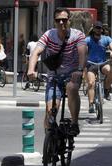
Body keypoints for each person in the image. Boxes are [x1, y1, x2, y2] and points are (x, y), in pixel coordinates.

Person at [27, 7, 86, 136]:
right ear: (54, 21)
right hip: (54, 76)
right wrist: (31, 69)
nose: (61, 23)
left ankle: (75, 123)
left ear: (69, 20)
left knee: (71, 88)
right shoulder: (49, 35)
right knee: (50, 111)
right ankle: (49, 142)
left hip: (72, 74)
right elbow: (36, 52)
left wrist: (80, 70)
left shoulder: (77, 35)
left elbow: (83, 52)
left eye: (64, 20)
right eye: (58, 20)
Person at [85, 21, 112, 113]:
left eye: (100, 28)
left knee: (109, 70)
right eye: (97, 28)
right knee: (91, 83)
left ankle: (106, 90)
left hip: (103, 63)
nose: (99, 30)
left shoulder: (106, 38)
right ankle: (91, 104)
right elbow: (83, 49)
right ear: (93, 29)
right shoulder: (88, 39)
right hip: (91, 64)